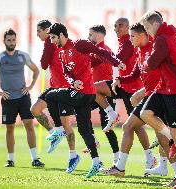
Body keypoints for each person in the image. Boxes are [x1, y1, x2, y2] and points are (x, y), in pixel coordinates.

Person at [45, 23, 124, 178]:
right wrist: (73, 81)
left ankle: (59, 130)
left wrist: (116, 62)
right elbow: (67, 73)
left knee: (50, 95)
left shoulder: (79, 44)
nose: (52, 41)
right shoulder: (61, 52)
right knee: (83, 129)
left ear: (62, 34)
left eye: (53, 37)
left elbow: (100, 51)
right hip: (81, 94)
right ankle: (96, 162)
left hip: (86, 92)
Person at [140, 11, 176, 189]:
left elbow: (151, 64)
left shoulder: (162, 39)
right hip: (164, 88)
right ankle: (171, 140)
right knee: (146, 113)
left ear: (155, 24)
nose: (147, 31)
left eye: (147, 27)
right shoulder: (175, 34)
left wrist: (145, 64)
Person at [94, 18, 155, 171]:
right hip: (123, 85)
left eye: (120, 25)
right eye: (114, 25)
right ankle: (111, 114)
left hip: (132, 89)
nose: (116, 28)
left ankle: (150, 157)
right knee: (96, 88)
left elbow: (117, 59)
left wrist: (97, 53)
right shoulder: (124, 42)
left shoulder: (129, 41)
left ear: (128, 27)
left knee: (136, 127)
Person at [0, 28, 44, 167]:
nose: (11, 42)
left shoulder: (23, 56)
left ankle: (35, 159)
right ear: (4, 41)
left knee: (29, 125)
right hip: (8, 99)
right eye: (9, 40)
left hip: (23, 97)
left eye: (13, 40)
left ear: (16, 40)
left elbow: (36, 70)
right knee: (10, 128)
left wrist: (30, 86)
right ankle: (10, 159)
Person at [31, 20, 80, 173]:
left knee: (66, 125)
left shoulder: (51, 43)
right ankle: (54, 134)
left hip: (65, 89)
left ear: (47, 31)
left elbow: (44, 64)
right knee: (35, 109)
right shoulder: (53, 43)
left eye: (39, 31)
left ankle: (73, 155)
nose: (37, 34)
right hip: (54, 88)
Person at [85, 25, 120, 164]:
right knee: (82, 111)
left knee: (107, 127)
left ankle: (117, 159)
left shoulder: (104, 50)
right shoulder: (95, 51)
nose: (89, 38)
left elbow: (93, 62)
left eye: (91, 35)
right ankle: (93, 140)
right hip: (95, 93)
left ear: (100, 36)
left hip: (105, 93)